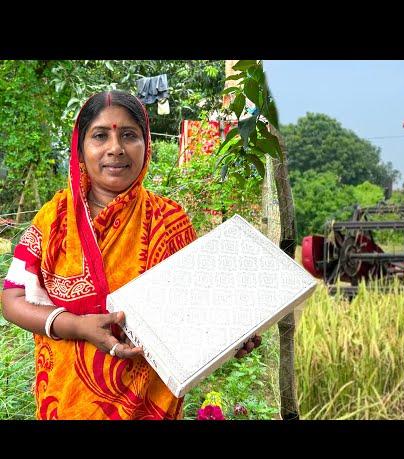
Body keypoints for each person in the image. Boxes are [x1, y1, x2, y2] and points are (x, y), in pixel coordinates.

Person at [1, 90, 259, 420]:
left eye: (128, 135)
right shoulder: (54, 218)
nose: (115, 148)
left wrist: (231, 334)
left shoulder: (169, 220)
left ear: (146, 143)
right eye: (99, 136)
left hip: (149, 404)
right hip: (66, 404)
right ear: (81, 147)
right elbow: (13, 300)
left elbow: (197, 311)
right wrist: (77, 326)